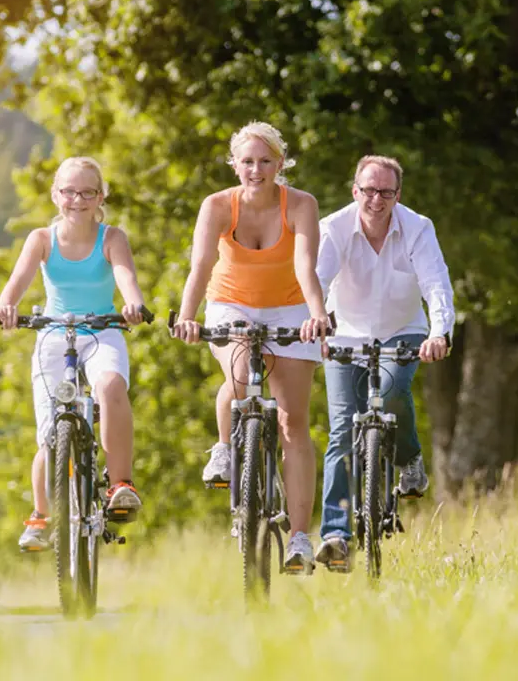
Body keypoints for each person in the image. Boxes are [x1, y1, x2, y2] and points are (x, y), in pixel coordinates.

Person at [171, 121, 332, 574]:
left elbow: (305, 266)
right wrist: (187, 316)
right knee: (240, 373)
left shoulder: (300, 204)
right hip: (231, 302)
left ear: (280, 164)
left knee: (293, 421)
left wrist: (318, 315)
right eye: (247, 161)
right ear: (234, 164)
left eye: (265, 161)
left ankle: (299, 537)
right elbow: (201, 265)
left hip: (290, 307)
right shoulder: (217, 206)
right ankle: (225, 447)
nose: (256, 170)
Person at [0, 156, 152, 552]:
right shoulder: (42, 239)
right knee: (50, 433)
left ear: (101, 197)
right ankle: (41, 515)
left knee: (110, 386)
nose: (77, 200)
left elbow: (125, 276)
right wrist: (7, 306)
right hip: (54, 333)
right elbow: (18, 279)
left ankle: (120, 484)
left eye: (87, 192)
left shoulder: (112, 238)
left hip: (102, 331)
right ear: (55, 195)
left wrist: (133, 303)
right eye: (69, 191)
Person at [312, 154, 455, 573]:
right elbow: (316, 281)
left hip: (403, 331)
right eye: (369, 191)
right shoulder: (333, 228)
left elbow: (436, 284)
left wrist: (439, 333)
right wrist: (315, 324)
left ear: (398, 195)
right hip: (344, 335)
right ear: (355, 191)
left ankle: (409, 458)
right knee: (342, 430)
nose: (376, 200)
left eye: (386, 193)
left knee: (393, 390)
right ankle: (336, 534)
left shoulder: (418, 228)